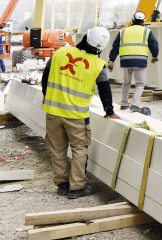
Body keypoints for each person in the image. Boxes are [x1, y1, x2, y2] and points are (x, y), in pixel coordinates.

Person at [41, 27, 119, 199]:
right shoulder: (98, 64)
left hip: (53, 112)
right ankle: (77, 187)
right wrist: (109, 111)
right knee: (79, 149)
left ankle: (62, 185)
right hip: (76, 115)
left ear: (85, 38)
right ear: (100, 47)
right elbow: (105, 89)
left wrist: (45, 95)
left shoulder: (60, 53)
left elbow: (45, 77)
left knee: (58, 149)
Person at [108, 11, 159, 116]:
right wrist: (155, 56)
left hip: (126, 61)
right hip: (140, 61)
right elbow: (154, 45)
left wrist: (111, 60)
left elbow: (115, 47)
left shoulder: (123, 31)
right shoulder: (147, 31)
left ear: (133, 20)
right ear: (143, 21)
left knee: (126, 82)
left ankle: (124, 103)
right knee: (140, 83)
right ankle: (134, 105)